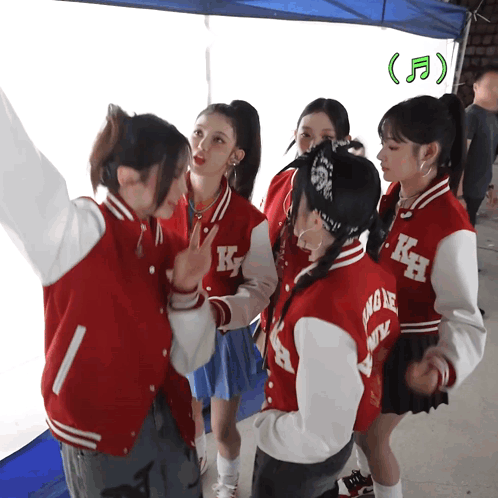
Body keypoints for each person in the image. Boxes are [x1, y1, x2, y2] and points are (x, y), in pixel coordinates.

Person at [0, 86, 221, 497]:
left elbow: (191, 357)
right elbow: (15, 166)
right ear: (128, 177)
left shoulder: (172, 245)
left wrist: (187, 290)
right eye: (173, 175)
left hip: (169, 419)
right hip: (98, 436)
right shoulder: (80, 232)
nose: (182, 189)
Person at [338, 95, 487, 498]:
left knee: (374, 438)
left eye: (391, 146)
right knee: (358, 426)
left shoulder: (451, 226)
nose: (380, 155)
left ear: (429, 153)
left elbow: (465, 316)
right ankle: (366, 482)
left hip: (411, 351)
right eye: (382, 144)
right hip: (376, 334)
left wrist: (443, 366)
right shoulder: (395, 196)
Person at [251, 140, 401, 498]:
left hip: (296, 457)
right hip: (335, 430)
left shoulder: (323, 313)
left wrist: (267, 428)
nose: (290, 214)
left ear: (316, 220)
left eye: (295, 206)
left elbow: (320, 435)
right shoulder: (370, 271)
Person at [160, 100, 277, 498]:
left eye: (218, 140)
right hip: (172, 333)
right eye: (197, 133)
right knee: (186, 411)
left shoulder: (249, 219)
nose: (202, 145)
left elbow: (262, 285)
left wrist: (219, 310)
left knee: (224, 426)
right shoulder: (162, 203)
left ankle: (228, 483)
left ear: (235, 155)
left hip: (224, 336)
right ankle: (196, 458)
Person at [255, 98, 361, 357]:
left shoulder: (345, 195)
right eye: (305, 135)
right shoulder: (280, 181)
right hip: (270, 317)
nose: (313, 145)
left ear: (344, 141)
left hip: (314, 322)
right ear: (295, 134)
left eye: (326, 137)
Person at [457, 65, 498, 226]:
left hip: (478, 192)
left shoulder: (492, 119)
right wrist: (459, 195)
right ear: (476, 87)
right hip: (465, 192)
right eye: (490, 87)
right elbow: (461, 157)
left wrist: (489, 187)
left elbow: (486, 157)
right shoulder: (470, 116)